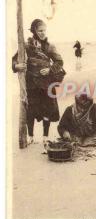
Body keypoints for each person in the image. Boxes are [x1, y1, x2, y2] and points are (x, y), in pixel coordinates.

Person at [12, 19, 64, 152]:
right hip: (31, 84)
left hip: (46, 84)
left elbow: (59, 62)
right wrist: (17, 66)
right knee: (31, 110)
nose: (43, 33)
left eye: (44, 30)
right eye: (40, 30)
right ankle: (30, 136)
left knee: (47, 110)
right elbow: (15, 60)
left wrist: (50, 70)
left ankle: (45, 137)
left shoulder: (49, 46)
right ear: (34, 31)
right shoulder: (26, 46)